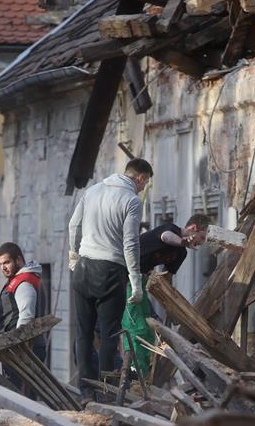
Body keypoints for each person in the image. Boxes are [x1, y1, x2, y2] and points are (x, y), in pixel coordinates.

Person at [68, 158, 152, 402]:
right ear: (140, 178)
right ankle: (106, 391)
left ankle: (86, 390)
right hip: (110, 271)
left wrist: (74, 257)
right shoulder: (131, 201)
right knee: (109, 334)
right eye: (144, 184)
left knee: (83, 332)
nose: (142, 188)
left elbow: (74, 225)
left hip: (83, 267)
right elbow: (130, 243)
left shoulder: (93, 191)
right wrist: (136, 283)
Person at [122, 214, 211, 376]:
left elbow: (167, 278)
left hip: (140, 281)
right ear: (193, 228)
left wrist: (170, 304)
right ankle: (133, 371)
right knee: (136, 326)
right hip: (126, 276)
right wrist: (182, 241)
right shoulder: (170, 229)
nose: (201, 242)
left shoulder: (181, 254)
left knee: (150, 326)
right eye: (202, 237)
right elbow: (166, 237)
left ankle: (142, 371)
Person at [0, 242, 47, 390]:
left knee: (17, 395)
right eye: (0, 264)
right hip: (19, 348)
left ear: (18, 260)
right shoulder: (20, 280)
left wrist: (18, 347)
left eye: (7, 262)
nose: (3, 267)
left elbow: (26, 317)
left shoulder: (23, 283)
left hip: (23, 349)